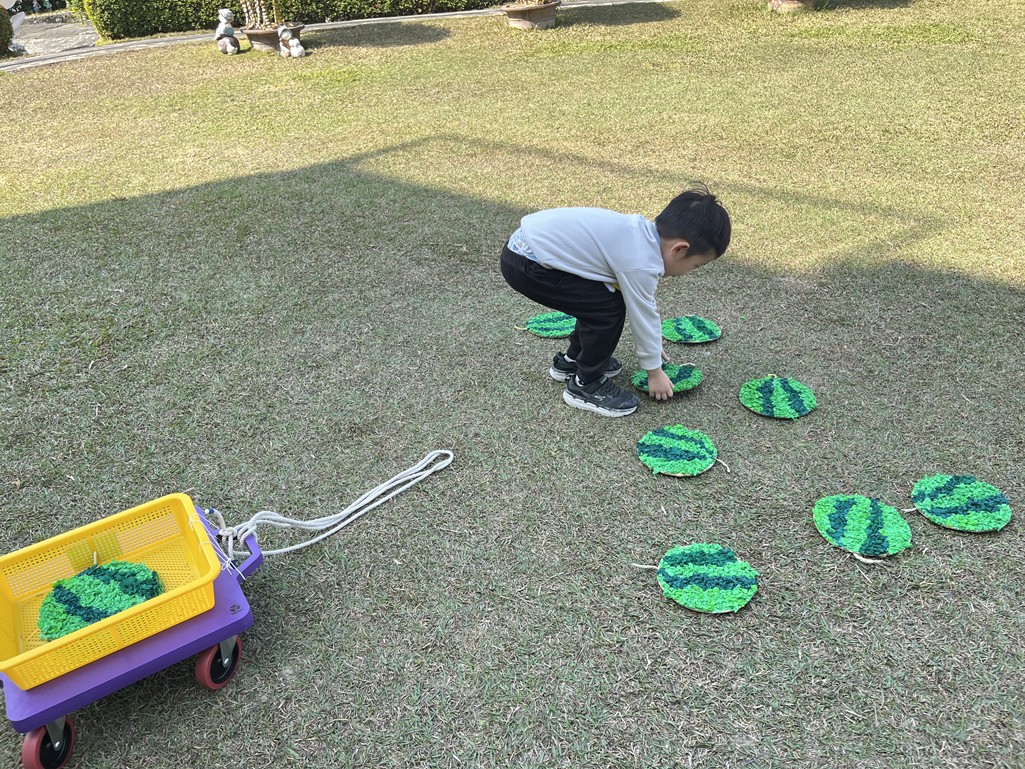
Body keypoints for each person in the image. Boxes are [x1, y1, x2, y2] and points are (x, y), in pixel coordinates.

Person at [500, 185, 731, 417]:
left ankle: (573, 361)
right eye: (695, 266)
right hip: (529, 264)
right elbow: (643, 315)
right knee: (607, 310)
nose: (689, 272)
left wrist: (653, 344)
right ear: (679, 249)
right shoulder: (641, 263)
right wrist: (654, 372)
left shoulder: (639, 233)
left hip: (527, 250)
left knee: (600, 301)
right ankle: (586, 384)